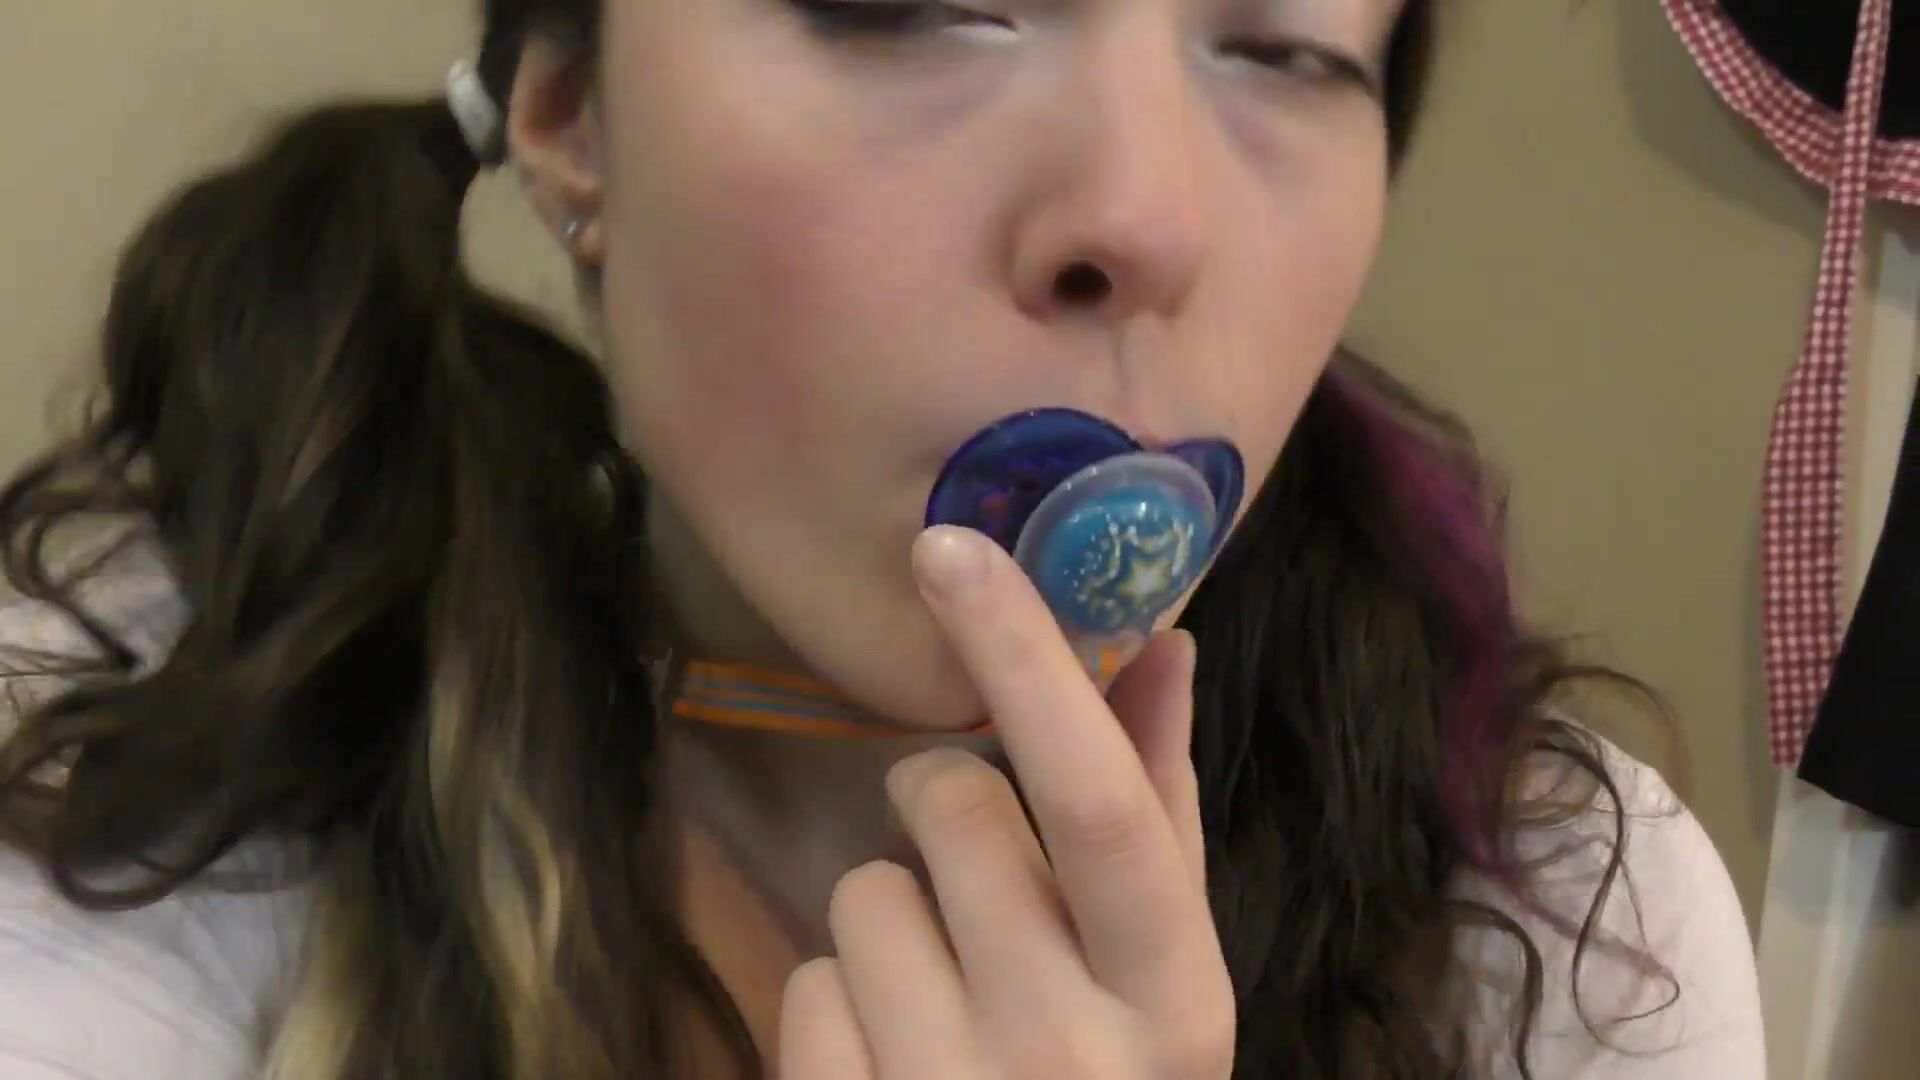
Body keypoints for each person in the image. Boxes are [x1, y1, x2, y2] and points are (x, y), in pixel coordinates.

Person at [0, 1, 1765, 1077]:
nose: (1144, 215)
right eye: (912, 4)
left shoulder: (1563, 927)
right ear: (570, 118)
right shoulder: (134, 786)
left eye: (1289, 49)